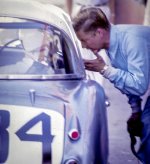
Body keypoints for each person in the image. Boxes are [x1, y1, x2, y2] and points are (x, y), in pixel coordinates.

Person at [72, 7, 150, 164]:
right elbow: (128, 76)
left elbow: (139, 85)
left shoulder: (131, 40)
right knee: (145, 125)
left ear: (99, 33)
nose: (83, 46)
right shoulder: (110, 45)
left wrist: (105, 69)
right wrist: (135, 110)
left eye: (84, 40)